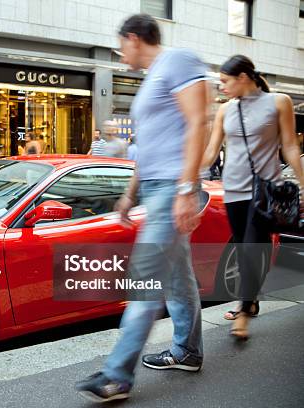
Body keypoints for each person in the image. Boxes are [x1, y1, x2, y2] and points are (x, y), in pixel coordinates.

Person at [75, 14, 209, 402]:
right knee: (177, 277)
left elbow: (199, 121)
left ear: (134, 38)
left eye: (121, 46)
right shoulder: (151, 78)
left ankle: (117, 375)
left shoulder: (179, 60)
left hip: (173, 187)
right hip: (155, 188)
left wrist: (186, 189)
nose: (121, 55)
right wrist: (130, 194)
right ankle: (188, 351)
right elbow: (148, 147)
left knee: (145, 278)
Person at [201, 55, 304, 339]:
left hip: (265, 191)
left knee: (250, 249)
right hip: (233, 190)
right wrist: (188, 176)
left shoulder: (279, 102)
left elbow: (290, 146)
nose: (221, 88)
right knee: (245, 249)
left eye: (224, 81)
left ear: (243, 78)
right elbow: (211, 151)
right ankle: (252, 299)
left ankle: (243, 312)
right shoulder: (226, 111)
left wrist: (303, 181)